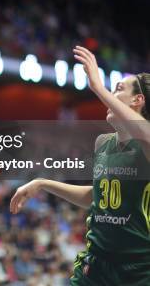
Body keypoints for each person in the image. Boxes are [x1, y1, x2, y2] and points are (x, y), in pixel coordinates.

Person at [10, 46, 150, 285]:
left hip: (137, 270)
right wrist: (43, 183)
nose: (110, 96)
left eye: (118, 89)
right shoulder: (103, 143)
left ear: (138, 100)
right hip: (95, 264)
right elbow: (94, 196)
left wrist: (97, 86)